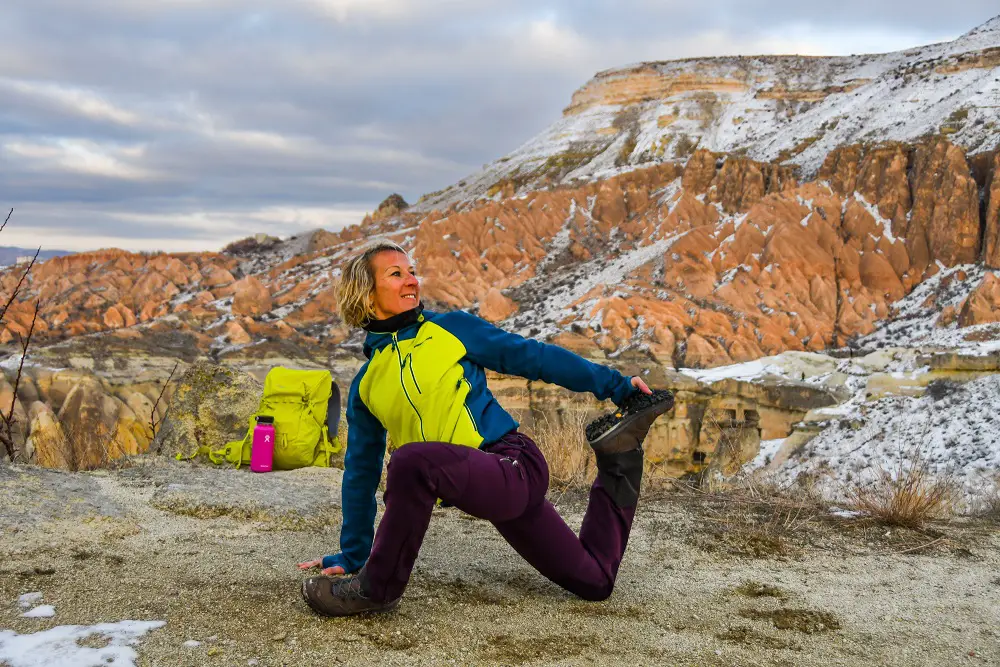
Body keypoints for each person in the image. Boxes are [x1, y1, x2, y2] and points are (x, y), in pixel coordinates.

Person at [297, 240, 673, 616]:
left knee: (411, 461)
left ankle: (376, 591)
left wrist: (617, 386)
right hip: (480, 487)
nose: (412, 280)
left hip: (512, 464)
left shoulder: (450, 329)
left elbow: (533, 357)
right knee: (594, 582)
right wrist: (352, 552)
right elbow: (360, 472)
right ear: (365, 293)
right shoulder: (366, 383)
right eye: (396, 274)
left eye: (412, 271)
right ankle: (619, 457)